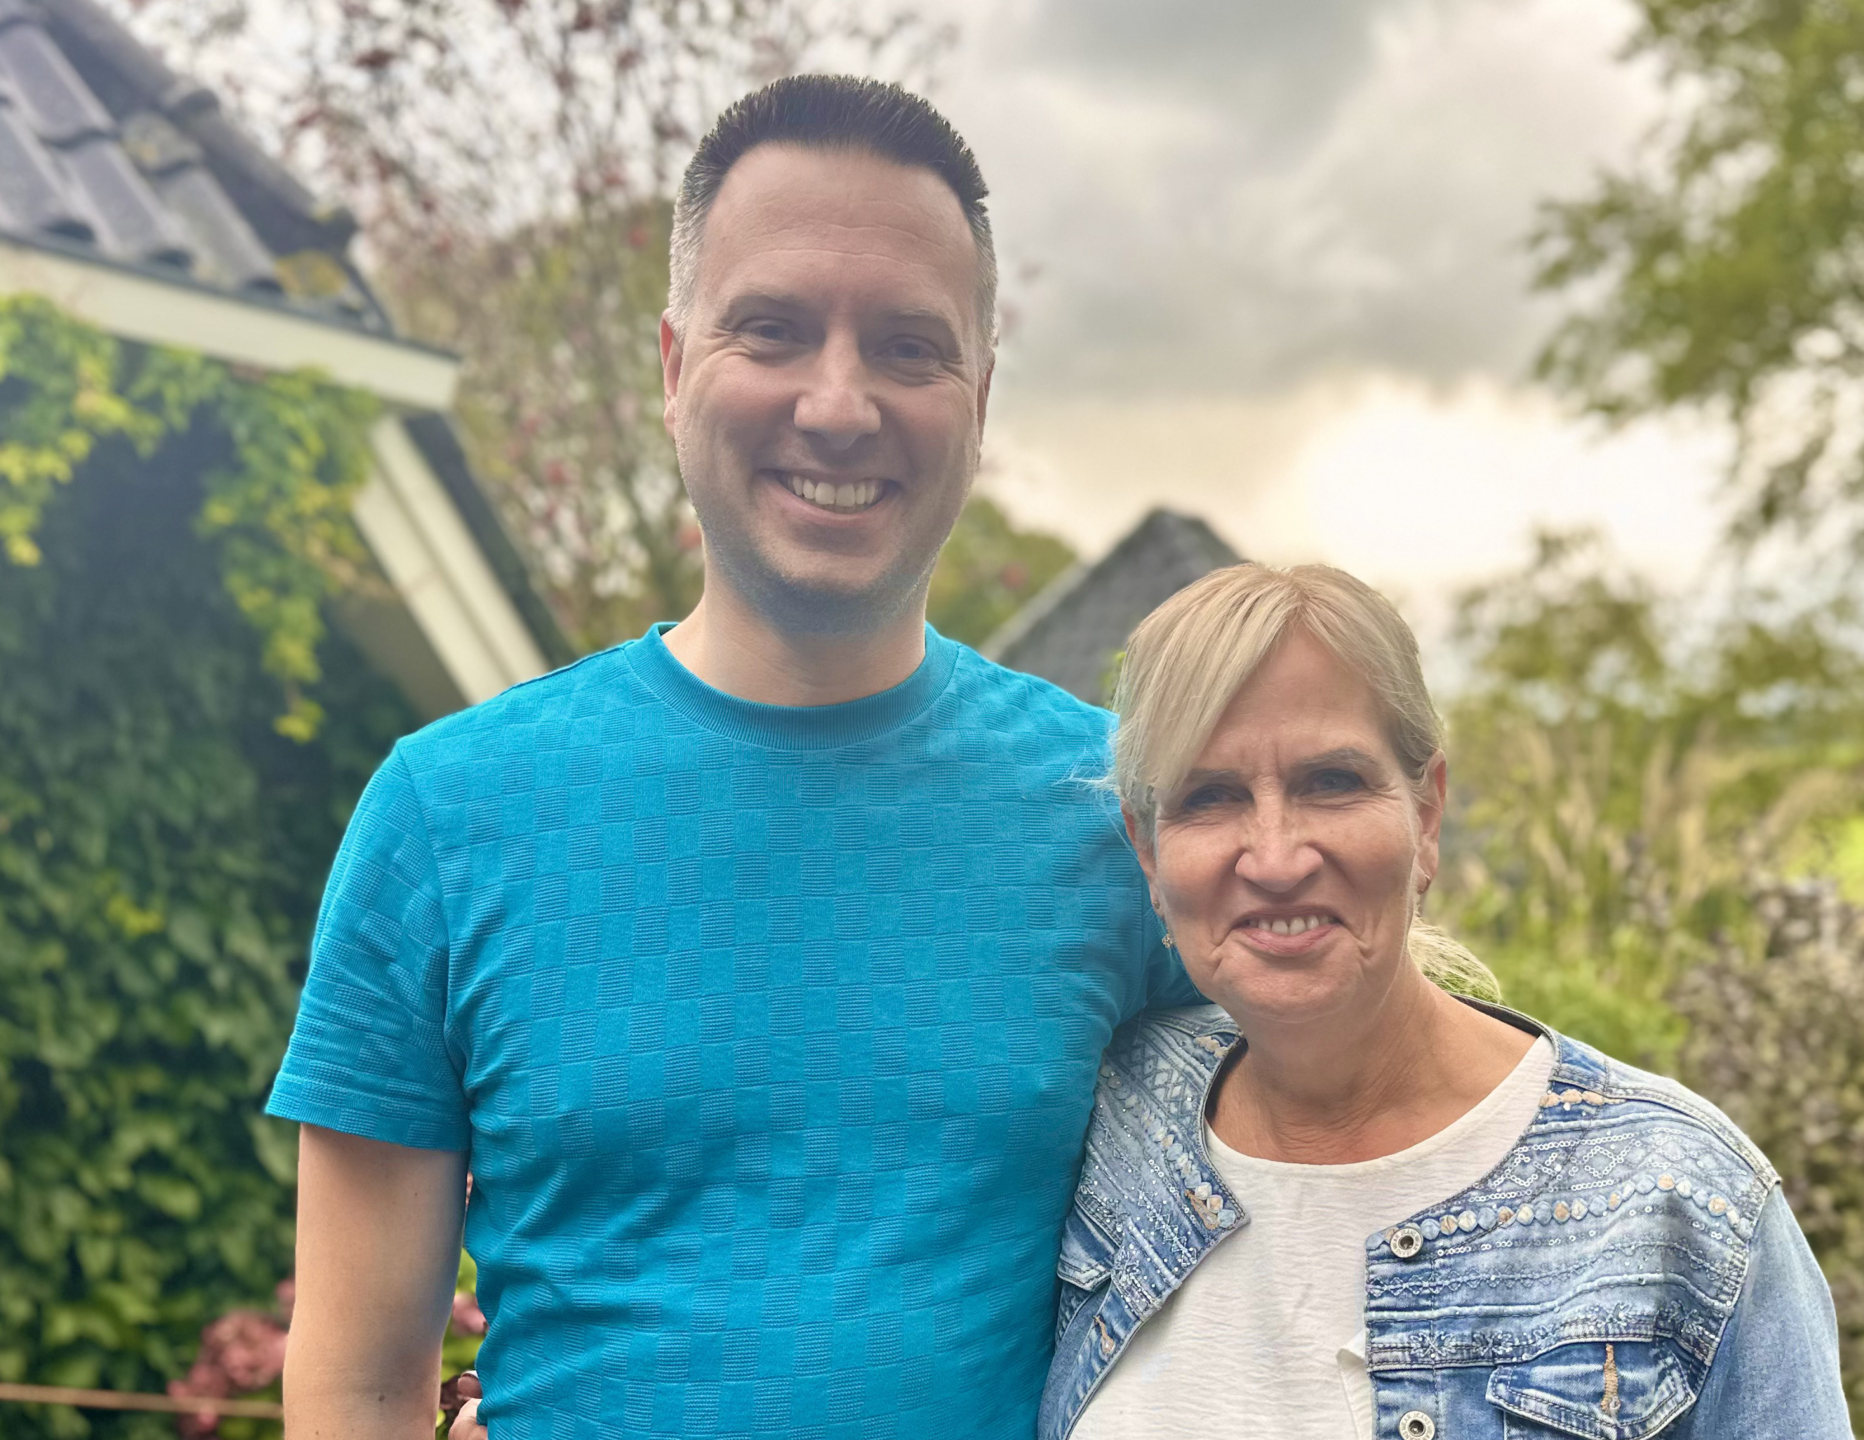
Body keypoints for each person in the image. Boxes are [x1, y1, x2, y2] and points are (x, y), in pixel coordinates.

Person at [269, 76, 1198, 1440]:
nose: (837, 405)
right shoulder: (444, 815)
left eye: (906, 346)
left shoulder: (1130, 816)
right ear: (670, 367)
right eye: (771, 330)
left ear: (980, 397)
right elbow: (354, 1386)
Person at [1039, 562, 1850, 1439]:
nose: (1274, 859)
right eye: (1210, 796)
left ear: (1426, 816)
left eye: (1331, 781)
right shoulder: (1116, 1127)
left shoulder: (1681, 1206)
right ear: (1149, 853)